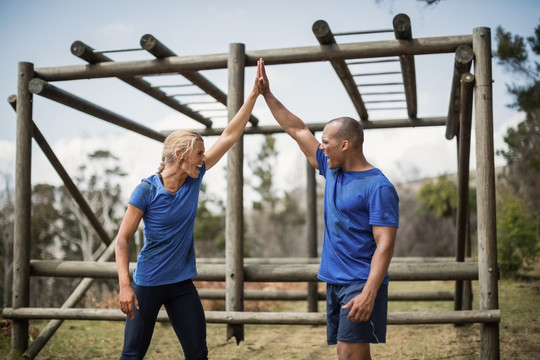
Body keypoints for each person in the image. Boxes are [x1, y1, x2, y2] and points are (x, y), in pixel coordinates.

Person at [115, 59, 263, 360]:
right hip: (148, 283)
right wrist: (124, 287)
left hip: (181, 283)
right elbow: (122, 240)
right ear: (181, 155)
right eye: (198, 153)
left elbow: (230, 136)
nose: (203, 158)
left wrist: (253, 96)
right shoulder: (146, 190)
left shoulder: (195, 178)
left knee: (198, 353)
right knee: (132, 354)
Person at [257, 59, 399, 360]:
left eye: (326, 142)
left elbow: (385, 245)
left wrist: (369, 292)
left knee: (349, 355)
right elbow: (296, 129)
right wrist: (267, 94)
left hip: (359, 282)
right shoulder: (332, 169)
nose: (321, 147)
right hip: (335, 281)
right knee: (350, 355)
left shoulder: (378, 186)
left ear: (345, 145)